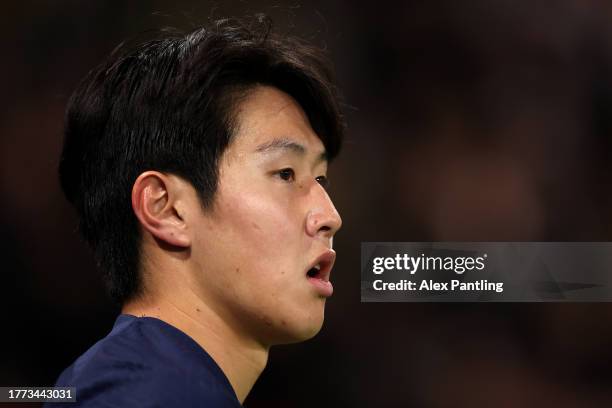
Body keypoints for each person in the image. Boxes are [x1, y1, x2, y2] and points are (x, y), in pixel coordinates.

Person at [48, 15, 344, 407]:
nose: (329, 216)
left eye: (320, 180)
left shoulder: (138, 381)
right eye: (285, 173)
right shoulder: (146, 394)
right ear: (167, 209)